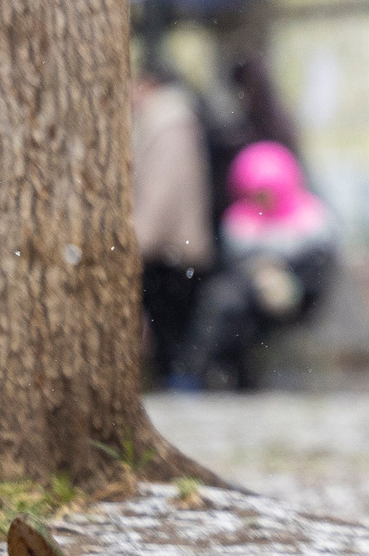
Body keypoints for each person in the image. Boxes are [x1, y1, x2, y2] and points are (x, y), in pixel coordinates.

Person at [171, 141, 337, 391]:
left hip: (295, 301)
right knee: (224, 305)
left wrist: (291, 285)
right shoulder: (239, 223)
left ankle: (202, 373)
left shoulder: (311, 222)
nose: (264, 201)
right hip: (247, 299)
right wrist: (258, 274)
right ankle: (200, 373)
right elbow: (231, 267)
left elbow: (318, 272)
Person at [132, 68, 215, 374]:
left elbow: (161, 196)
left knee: (172, 334)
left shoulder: (166, 125)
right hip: (177, 247)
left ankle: (181, 382)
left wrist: (137, 243)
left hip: (171, 250)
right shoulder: (172, 122)